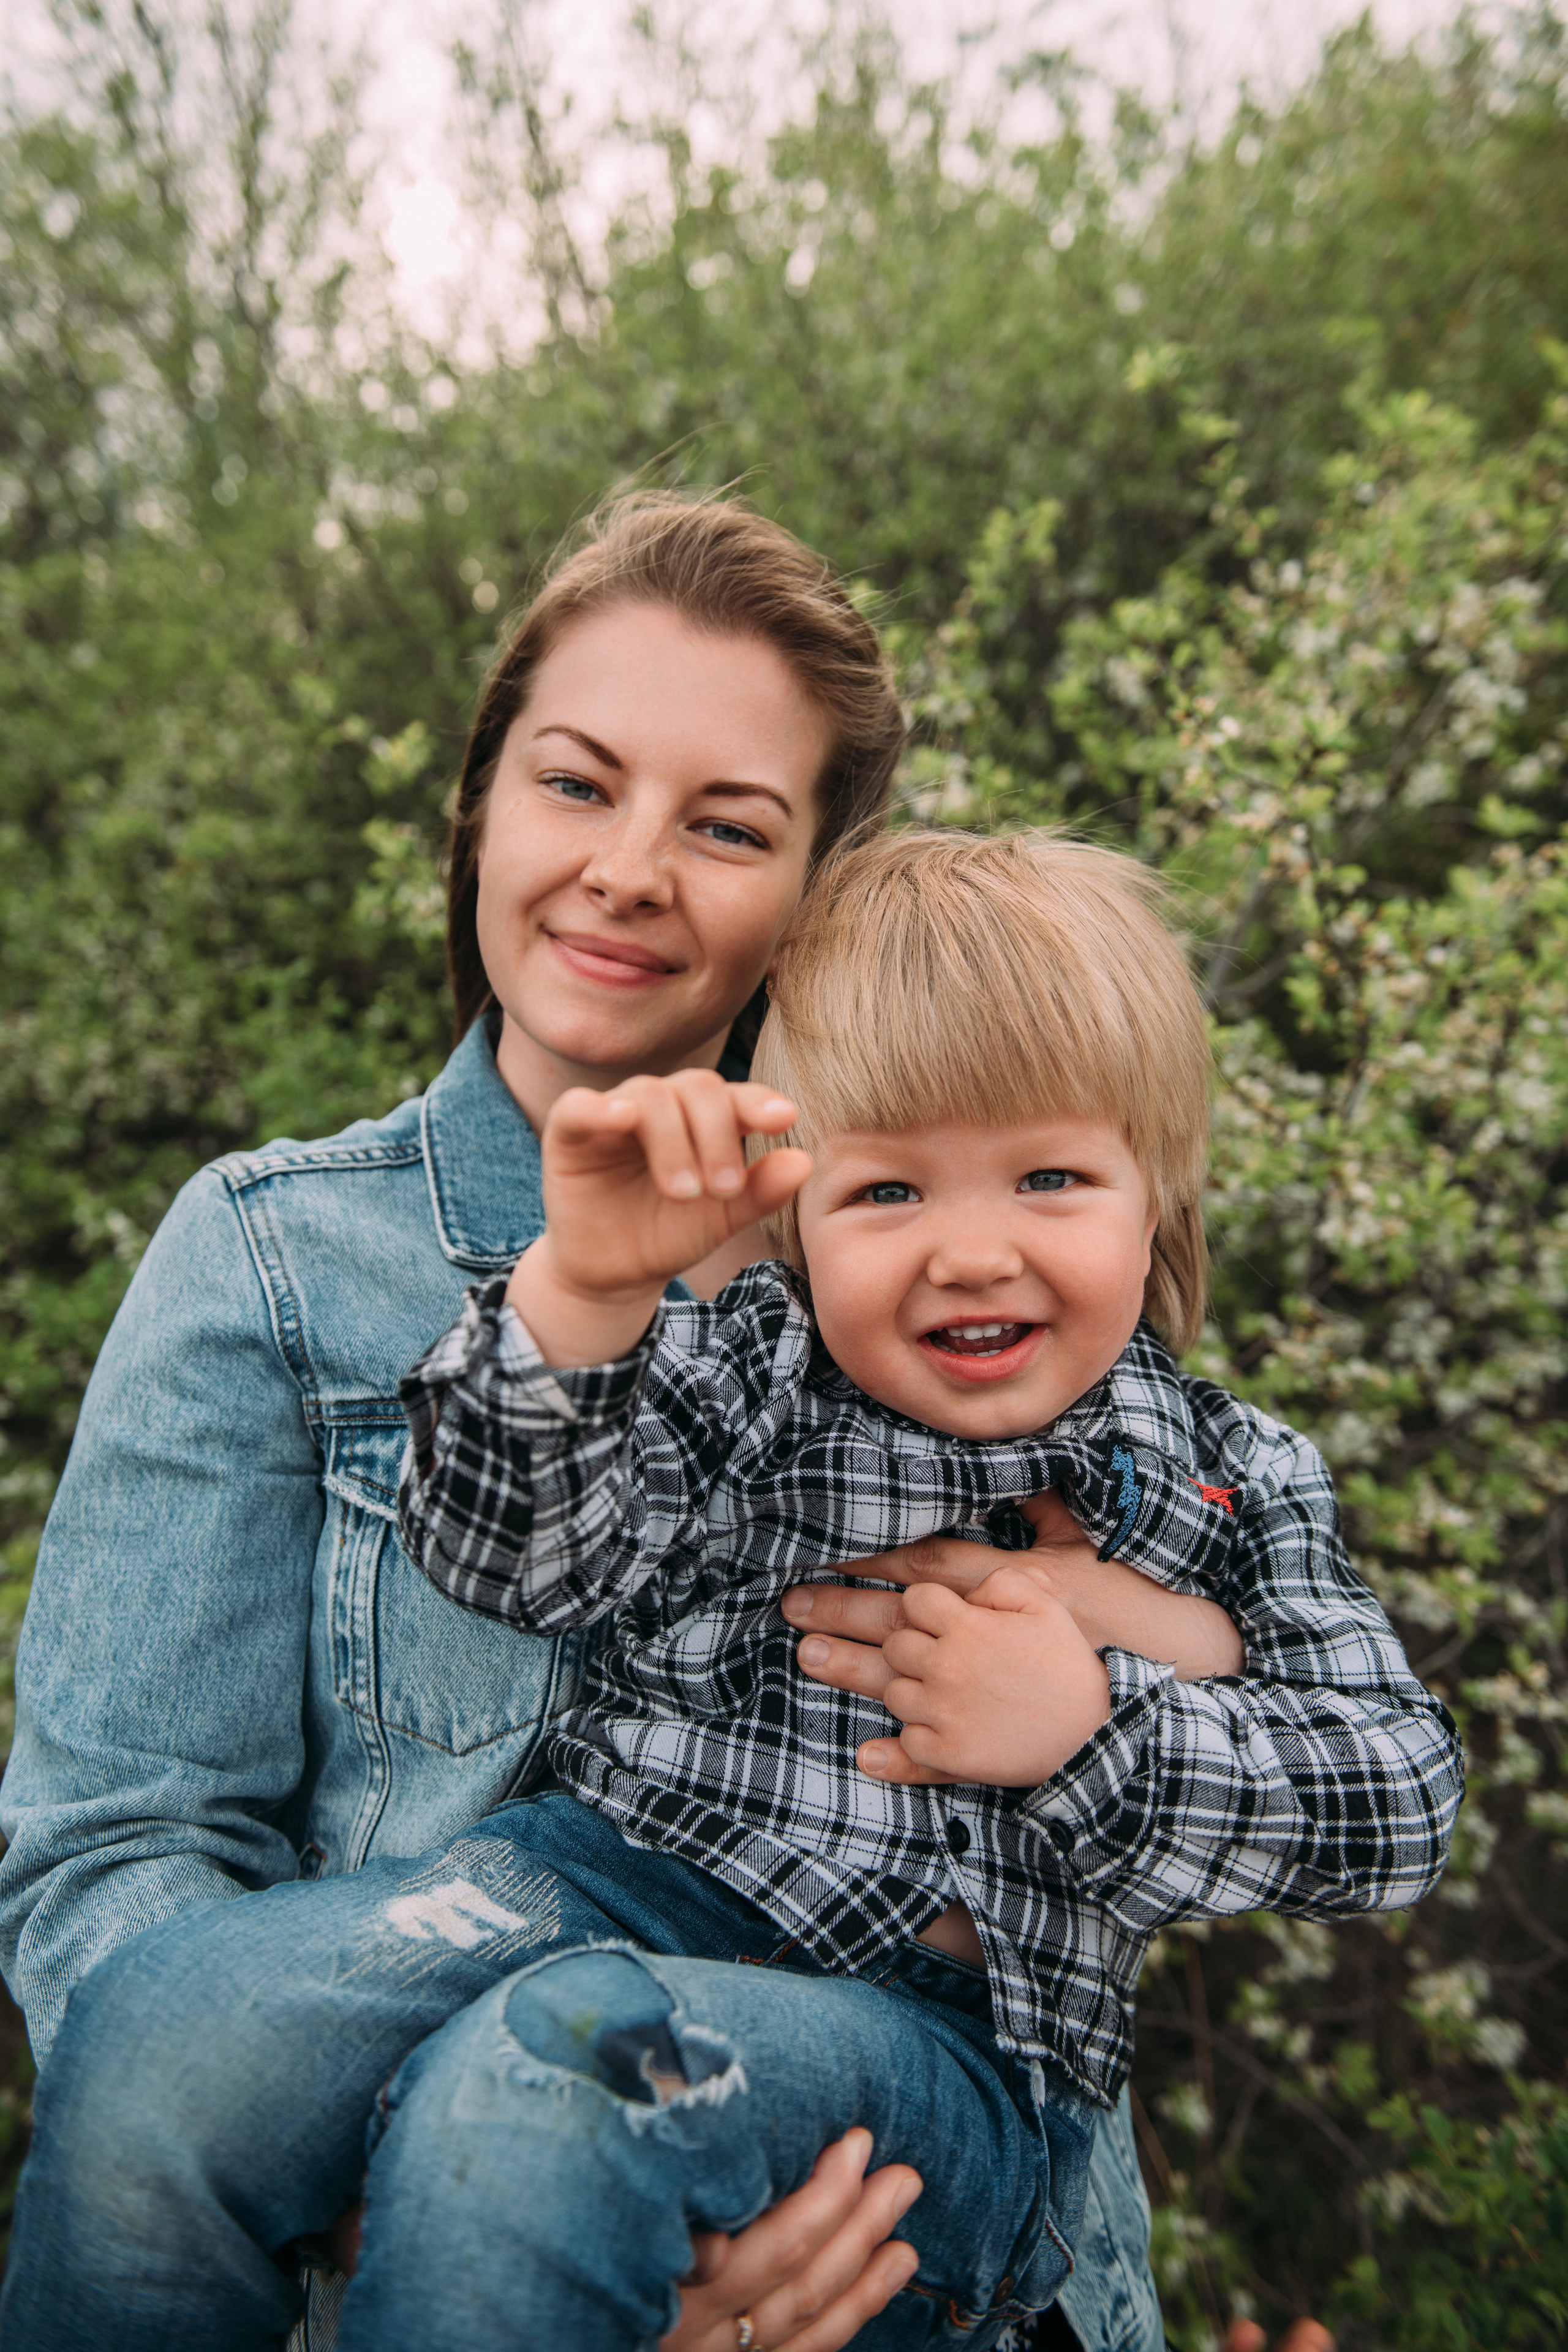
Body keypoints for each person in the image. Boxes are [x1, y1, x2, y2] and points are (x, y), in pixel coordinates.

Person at [0, 497, 1210, 2352]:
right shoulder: (276, 1260)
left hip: (899, 2255)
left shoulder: (958, 1268)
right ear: (481, 805)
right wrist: (517, 2215)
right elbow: (116, 1855)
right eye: (578, 785)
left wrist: (1130, 1667)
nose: (632, 868)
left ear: (818, 885)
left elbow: (1121, 1831)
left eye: (728, 825)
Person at [2, 833, 1463, 2349]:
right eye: (887, 1188)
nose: (972, 1251)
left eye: (1047, 1176)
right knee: (166, 2025)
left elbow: (1398, 1798)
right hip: (596, 1882)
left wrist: (1089, 1735)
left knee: (547, 2085)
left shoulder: (1231, 1480)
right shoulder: (748, 1370)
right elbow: (509, 1550)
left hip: (927, 2042)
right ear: (791, 1216)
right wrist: (580, 1296)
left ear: (1152, 1192)